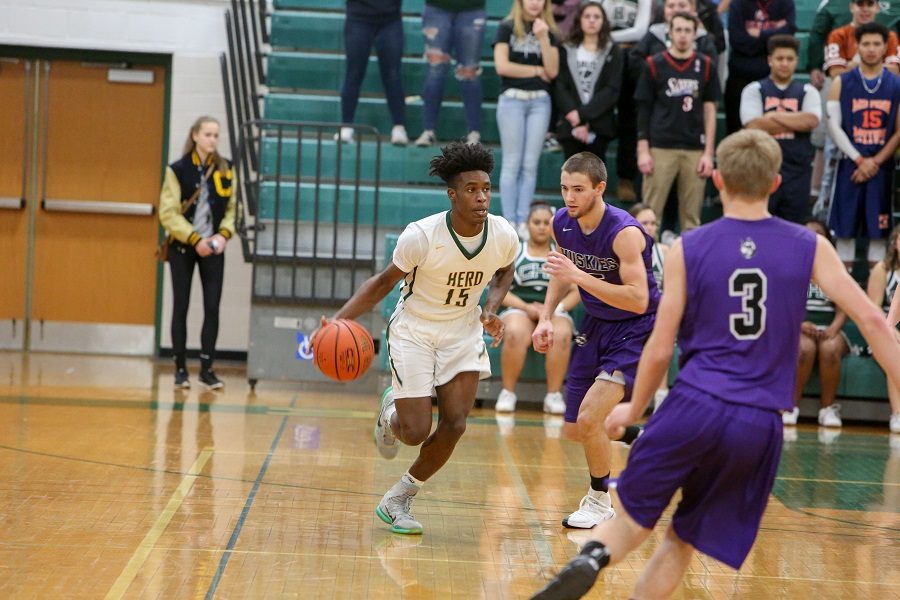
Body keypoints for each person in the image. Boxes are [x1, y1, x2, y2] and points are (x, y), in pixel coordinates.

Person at [530, 128, 900, 600]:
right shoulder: (810, 246)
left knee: (632, 520)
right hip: (758, 419)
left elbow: (662, 345)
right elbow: (871, 320)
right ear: (775, 183)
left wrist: (635, 405)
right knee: (683, 538)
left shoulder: (688, 246)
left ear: (718, 181)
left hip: (694, 403)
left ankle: (592, 557)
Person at [314, 141, 519, 535]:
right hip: (415, 332)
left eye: (486, 189)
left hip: (462, 331)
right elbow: (382, 283)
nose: (481, 197)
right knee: (415, 432)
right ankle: (390, 414)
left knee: (456, 424)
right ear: (453, 194)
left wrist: (491, 310)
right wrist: (337, 320)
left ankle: (399, 498)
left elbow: (505, 270)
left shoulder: (502, 233)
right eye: (472, 189)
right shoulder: (422, 236)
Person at [531, 151, 659, 529]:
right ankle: (651, 438)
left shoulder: (625, 233)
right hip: (597, 323)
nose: (569, 197)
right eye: (564, 188)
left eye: (578, 190)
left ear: (600, 188)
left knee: (590, 418)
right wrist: (546, 317)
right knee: (576, 428)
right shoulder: (562, 222)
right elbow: (561, 272)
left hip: (637, 328)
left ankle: (600, 499)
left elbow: (639, 299)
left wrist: (579, 276)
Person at [159, 116, 235, 390]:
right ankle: (180, 369)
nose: (213, 140)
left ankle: (207, 368)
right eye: (208, 134)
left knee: (212, 308)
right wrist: (193, 238)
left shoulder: (227, 168)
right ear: (195, 136)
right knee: (181, 306)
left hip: (213, 248)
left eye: (216, 135)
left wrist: (223, 236)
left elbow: (231, 210)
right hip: (183, 247)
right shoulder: (177, 169)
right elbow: (167, 213)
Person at [826, 22, 900, 270]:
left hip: (882, 168)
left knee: (878, 234)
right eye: (866, 43)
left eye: (876, 44)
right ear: (857, 46)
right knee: (844, 231)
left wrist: (875, 162)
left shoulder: (896, 84)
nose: (871, 49)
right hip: (849, 165)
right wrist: (859, 159)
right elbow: (834, 127)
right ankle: (841, 306)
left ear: (885, 47)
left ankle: (875, 303)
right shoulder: (841, 82)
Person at [636, 12, 718, 234]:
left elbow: (710, 109)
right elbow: (644, 108)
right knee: (650, 215)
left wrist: (708, 152)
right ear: (669, 33)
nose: (683, 35)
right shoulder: (654, 64)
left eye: (687, 30)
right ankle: (648, 264)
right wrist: (643, 149)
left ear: (695, 34)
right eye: (678, 30)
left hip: (694, 147)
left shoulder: (706, 65)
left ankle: (689, 267)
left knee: (692, 219)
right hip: (660, 146)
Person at [495, 203, 581, 414]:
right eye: (537, 222)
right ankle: (508, 392)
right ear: (527, 225)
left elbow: (577, 289)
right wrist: (526, 306)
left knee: (561, 334)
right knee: (515, 332)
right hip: (520, 309)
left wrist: (552, 310)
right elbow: (499, 290)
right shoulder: (515, 252)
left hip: (554, 311)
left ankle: (553, 395)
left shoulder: (563, 254)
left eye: (546, 223)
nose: (542, 227)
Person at [494, 0, 560, 240]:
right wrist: (534, 71)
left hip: (540, 101)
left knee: (530, 164)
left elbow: (552, 71)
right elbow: (502, 66)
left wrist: (543, 38)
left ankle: (523, 220)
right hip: (512, 99)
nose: (534, 2)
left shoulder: (548, 31)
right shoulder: (506, 27)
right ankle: (509, 220)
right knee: (512, 162)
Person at [741, 35, 821, 223]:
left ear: (797, 61)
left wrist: (771, 116)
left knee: (794, 226)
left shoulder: (808, 91)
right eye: (779, 58)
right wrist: (795, 120)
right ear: (770, 60)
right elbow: (753, 125)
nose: (784, 63)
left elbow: (810, 121)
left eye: (790, 59)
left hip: (797, 172)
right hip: (762, 169)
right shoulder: (754, 89)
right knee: (758, 224)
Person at [784, 219, 850, 428]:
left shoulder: (835, 268)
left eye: (817, 233)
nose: (811, 237)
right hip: (799, 328)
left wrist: (833, 328)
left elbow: (844, 307)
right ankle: (791, 406)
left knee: (829, 349)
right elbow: (782, 305)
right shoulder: (788, 268)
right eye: (807, 233)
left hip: (830, 328)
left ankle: (828, 409)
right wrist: (800, 324)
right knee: (804, 349)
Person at [553, 1, 624, 159]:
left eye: (597, 17)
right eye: (587, 16)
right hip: (570, 123)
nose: (592, 20)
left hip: (600, 125)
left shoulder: (614, 51)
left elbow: (612, 89)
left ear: (603, 21)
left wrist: (583, 115)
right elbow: (560, 86)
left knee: (595, 178)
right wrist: (576, 120)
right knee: (571, 177)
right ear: (579, 20)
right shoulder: (565, 48)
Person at [414, 0, 488, 147]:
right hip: (436, 7)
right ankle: (428, 129)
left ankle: (474, 132)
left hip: (472, 8)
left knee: (469, 71)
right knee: (436, 69)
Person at [335, 0, 408, 145]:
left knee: (393, 75)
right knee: (354, 73)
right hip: (358, 18)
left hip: (391, 19)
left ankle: (399, 127)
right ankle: (346, 126)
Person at [724, 0, 795, 134]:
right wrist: (773, 36)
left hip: (773, 79)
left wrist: (760, 35)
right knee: (738, 133)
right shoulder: (738, 4)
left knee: (773, 132)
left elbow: (788, 34)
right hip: (740, 78)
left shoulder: (785, 3)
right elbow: (738, 42)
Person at [629, 202, 669, 409]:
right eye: (645, 223)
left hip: (657, 313)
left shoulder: (664, 251)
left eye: (654, 223)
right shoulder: (621, 248)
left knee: (659, 329)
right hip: (629, 311)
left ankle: (661, 396)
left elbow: (672, 291)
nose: (651, 227)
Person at [869, 224, 900, 433]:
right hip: (886, 333)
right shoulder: (883, 269)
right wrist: (889, 327)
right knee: (894, 349)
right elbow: (872, 308)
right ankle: (898, 414)